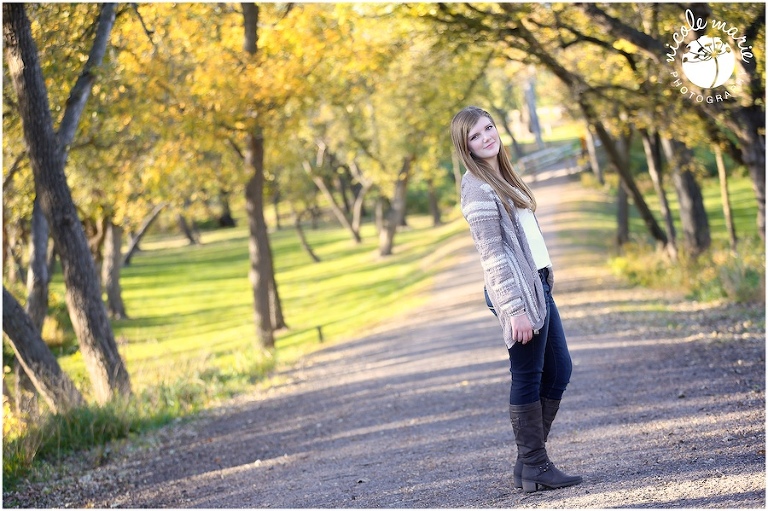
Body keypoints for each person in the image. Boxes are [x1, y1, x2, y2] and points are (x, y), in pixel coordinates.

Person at [450, 106, 582, 493]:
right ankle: (535, 465)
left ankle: (529, 464)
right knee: (528, 375)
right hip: (518, 293)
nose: (486, 137)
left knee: (560, 371)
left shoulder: (502, 174)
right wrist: (514, 309)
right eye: (475, 135)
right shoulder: (476, 186)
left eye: (488, 128)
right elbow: (491, 254)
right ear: (466, 146)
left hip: (538, 285)